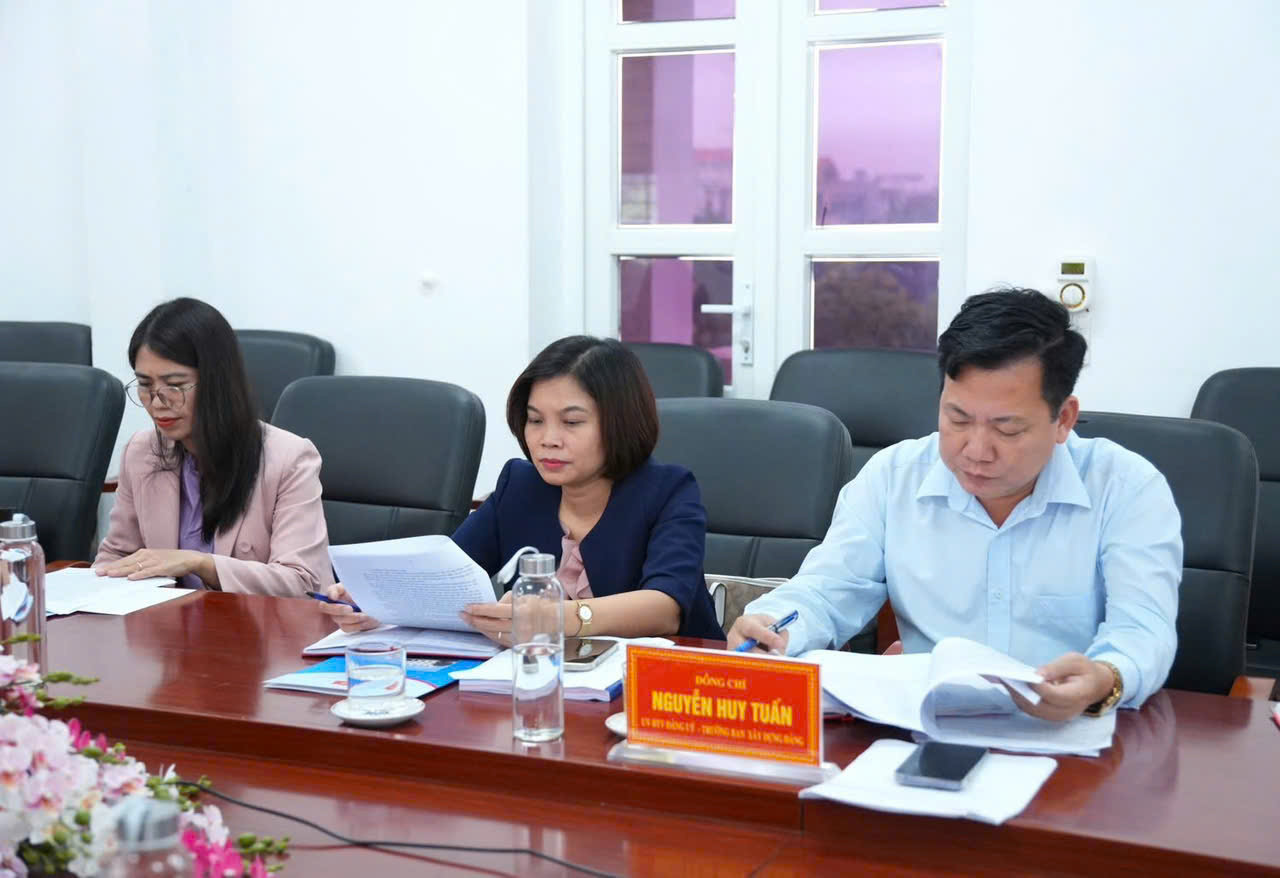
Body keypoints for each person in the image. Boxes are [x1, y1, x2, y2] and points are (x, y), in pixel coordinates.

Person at [730, 288, 1181, 721]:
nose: (976, 450)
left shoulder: (1125, 489)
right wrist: (772, 625)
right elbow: (826, 590)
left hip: (1070, 732)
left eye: (1007, 429)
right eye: (958, 419)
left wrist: (1105, 679)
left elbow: (1142, 630)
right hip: (926, 725)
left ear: (1063, 418)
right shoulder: (893, 477)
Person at [321, 335, 724, 642]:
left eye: (571, 422)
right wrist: (378, 602)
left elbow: (664, 608)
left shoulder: (668, 491)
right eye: (535, 420)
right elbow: (448, 576)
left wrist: (556, 618)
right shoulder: (521, 485)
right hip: (542, 678)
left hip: (664, 685)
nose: (548, 439)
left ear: (619, 423)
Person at [94, 298, 334, 597]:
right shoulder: (141, 452)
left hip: (258, 624)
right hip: (167, 622)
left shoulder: (290, 458)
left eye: (175, 384)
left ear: (217, 382)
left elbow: (302, 583)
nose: (157, 402)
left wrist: (200, 563)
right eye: (145, 384)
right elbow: (116, 556)